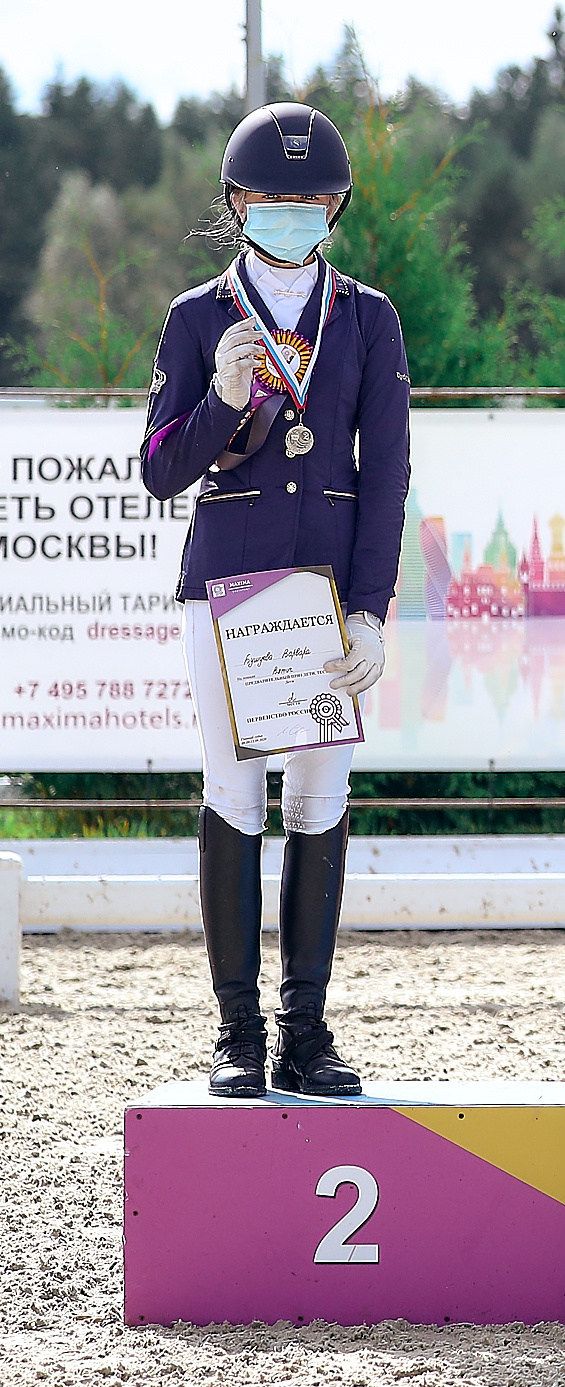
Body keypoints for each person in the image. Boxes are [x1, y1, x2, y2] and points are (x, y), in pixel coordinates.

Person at [139, 103, 412, 1099]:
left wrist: (373, 610)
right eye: (270, 198)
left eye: (309, 201)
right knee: (232, 793)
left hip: (324, 598)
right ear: (237, 203)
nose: (291, 214)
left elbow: (385, 475)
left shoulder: (368, 318)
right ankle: (238, 1032)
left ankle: (308, 1028)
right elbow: (159, 473)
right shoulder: (197, 317)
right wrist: (218, 399)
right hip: (228, 595)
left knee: (320, 798)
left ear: (334, 206)